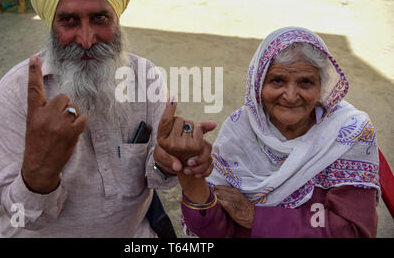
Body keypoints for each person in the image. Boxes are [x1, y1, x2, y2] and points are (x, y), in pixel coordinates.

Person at [0, 0, 211, 237]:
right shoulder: (16, 91)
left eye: (99, 18)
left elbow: (156, 177)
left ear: (117, 17)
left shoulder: (145, 78)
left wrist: (165, 161)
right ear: (50, 22)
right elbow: (18, 218)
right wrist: (39, 170)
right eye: (68, 20)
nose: (86, 38)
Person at [158, 27, 380, 237]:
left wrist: (257, 218)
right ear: (258, 85)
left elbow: (352, 230)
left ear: (321, 87)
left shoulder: (348, 132)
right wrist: (190, 174)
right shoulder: (241, 128)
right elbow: (215, 231)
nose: (291, 96)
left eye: (305, 82)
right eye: (277, 81)